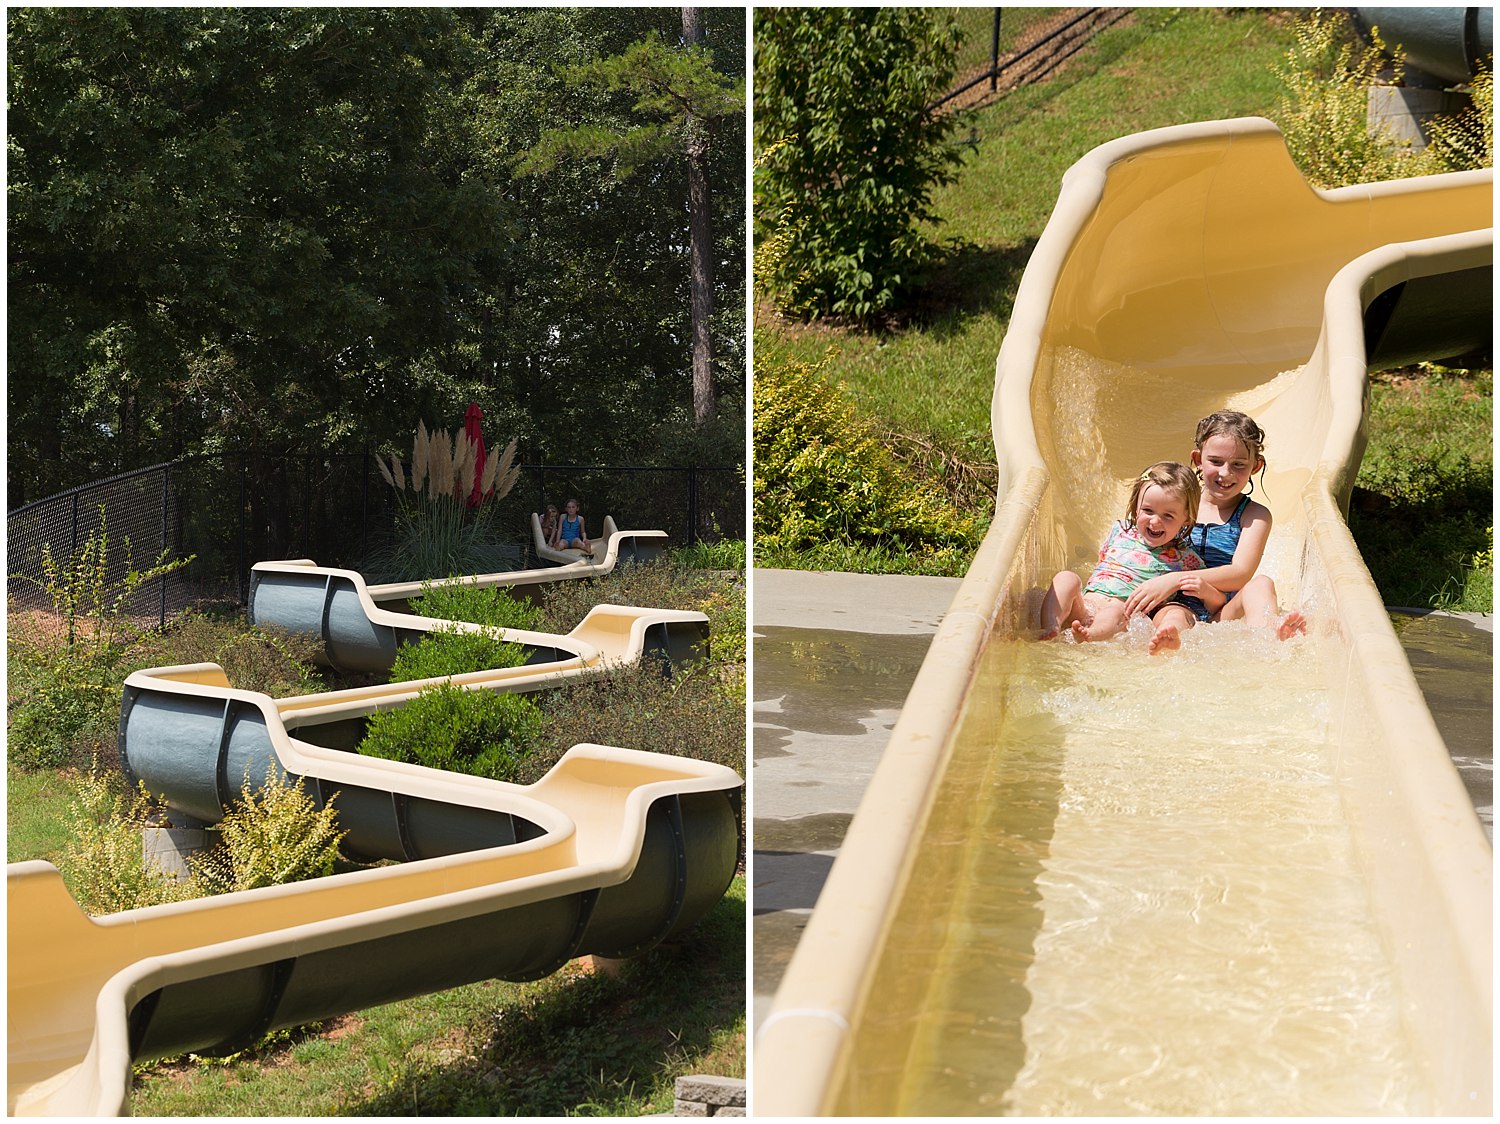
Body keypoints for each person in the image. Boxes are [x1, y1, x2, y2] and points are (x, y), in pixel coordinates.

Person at [1122, 411, 1306, 640]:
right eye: (1216, 461)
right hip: (1171, 607)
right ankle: (1167, 641)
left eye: (1239, 464)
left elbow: (1240, 573)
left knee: (1261, 584)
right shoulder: (1175, 503)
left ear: (1256, 466)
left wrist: (1175, 579)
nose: (1225, 473)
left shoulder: (1254, 515)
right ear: (1198, 459)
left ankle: (1268, 638)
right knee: (1174, 618)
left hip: (1222, 613)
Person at [1041, 461, 1221, 655]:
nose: (1155, 521)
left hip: (1120, 615)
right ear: (1137, 506)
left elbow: (1208, 597)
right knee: (1066, 578)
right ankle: (1052, 626)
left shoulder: (1186, 557)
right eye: (1148, 511)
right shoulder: (1119, 530)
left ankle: (1090, 635)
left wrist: (1205, 593)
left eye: (1168, 516)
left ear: (1186, 518)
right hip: (1086, 604)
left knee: (1115, 611)